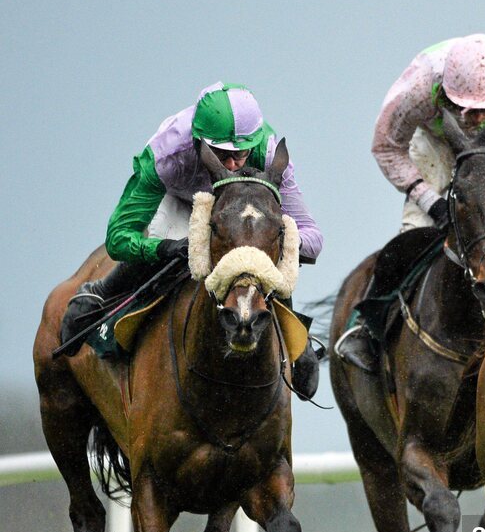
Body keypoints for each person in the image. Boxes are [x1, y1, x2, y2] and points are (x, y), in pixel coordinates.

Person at [59, 82, 325, 398]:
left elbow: (312, 239)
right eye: (222, 155)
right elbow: (118, 238)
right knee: (165, 250)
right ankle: (102, 293)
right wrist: (165, 248)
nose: (232, 164)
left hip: (234, 212)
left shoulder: (266, 151)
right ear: (199, 142)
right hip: (178, 202)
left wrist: (272, 238)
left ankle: (296, 341)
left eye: (239, 153)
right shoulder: (166, 156)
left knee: (260, 250)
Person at [336, 34, 485, 372]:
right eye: (469, 111)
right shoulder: (416, 89)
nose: (477, 119)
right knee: (414, 234)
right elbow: (386, 147)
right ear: (445, 94)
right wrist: (431, 202)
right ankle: (367, 329)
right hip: (435, 144)